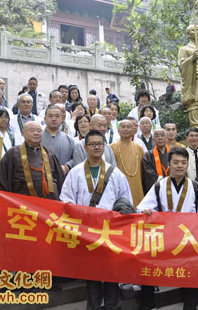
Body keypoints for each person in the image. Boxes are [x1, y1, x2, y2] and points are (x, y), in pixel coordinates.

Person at [138, 147, 198, 310]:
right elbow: (143, 207)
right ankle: (149, 305)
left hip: (187, 240)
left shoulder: (195, 186)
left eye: (184, 162)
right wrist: (146, 211)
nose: (180, 166)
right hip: (164, 240)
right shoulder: (159, 186)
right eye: (176, 162)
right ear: (168, 164)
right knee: (147, 271)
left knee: (190, 275)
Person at [60, 129, 132, 310]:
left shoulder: (116, 174)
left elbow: (126, 201)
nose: (96, 147)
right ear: (85, 147)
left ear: (104, 146)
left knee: (111, 274)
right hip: (87, 233)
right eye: (92, 144)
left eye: (99, 144)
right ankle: (92, 307)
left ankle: (112, 306)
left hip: (110, 232)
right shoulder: (75, 173)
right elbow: (66, 200)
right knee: (91, 274)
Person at [0, 121, 65, 200]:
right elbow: (3, 181)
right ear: (23, 133)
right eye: (32, 130)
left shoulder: (49, 154)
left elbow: (60, 180)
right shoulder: (12, 154)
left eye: (39, 131)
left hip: (50, 203)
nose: (36, 133)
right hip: (23, 203)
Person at [111, 119, 145, 207]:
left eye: (128, 127)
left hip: (137, 186)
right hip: (119, 186)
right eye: (123, 127)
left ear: (133, 130)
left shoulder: (139, 148)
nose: (125, 129)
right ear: (118, 130)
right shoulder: (112, 147)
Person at [41, 106, 75, 176]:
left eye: (57, 116)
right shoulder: (37, 138)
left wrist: (66, 167)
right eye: (50, 116)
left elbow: (74, 158)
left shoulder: (69, 139)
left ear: (61, 119)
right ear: (45, 119)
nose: (54, 119)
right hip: (42, 177)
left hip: (64, 178)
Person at [142, 128, 169, 194]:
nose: (160, 138)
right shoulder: (148, 155)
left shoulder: (173, 153)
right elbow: (148, 171)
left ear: (166, 138)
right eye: (157, 136)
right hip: (157, 186)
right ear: (153, 140)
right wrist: (159, 179)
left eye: (162, 135)